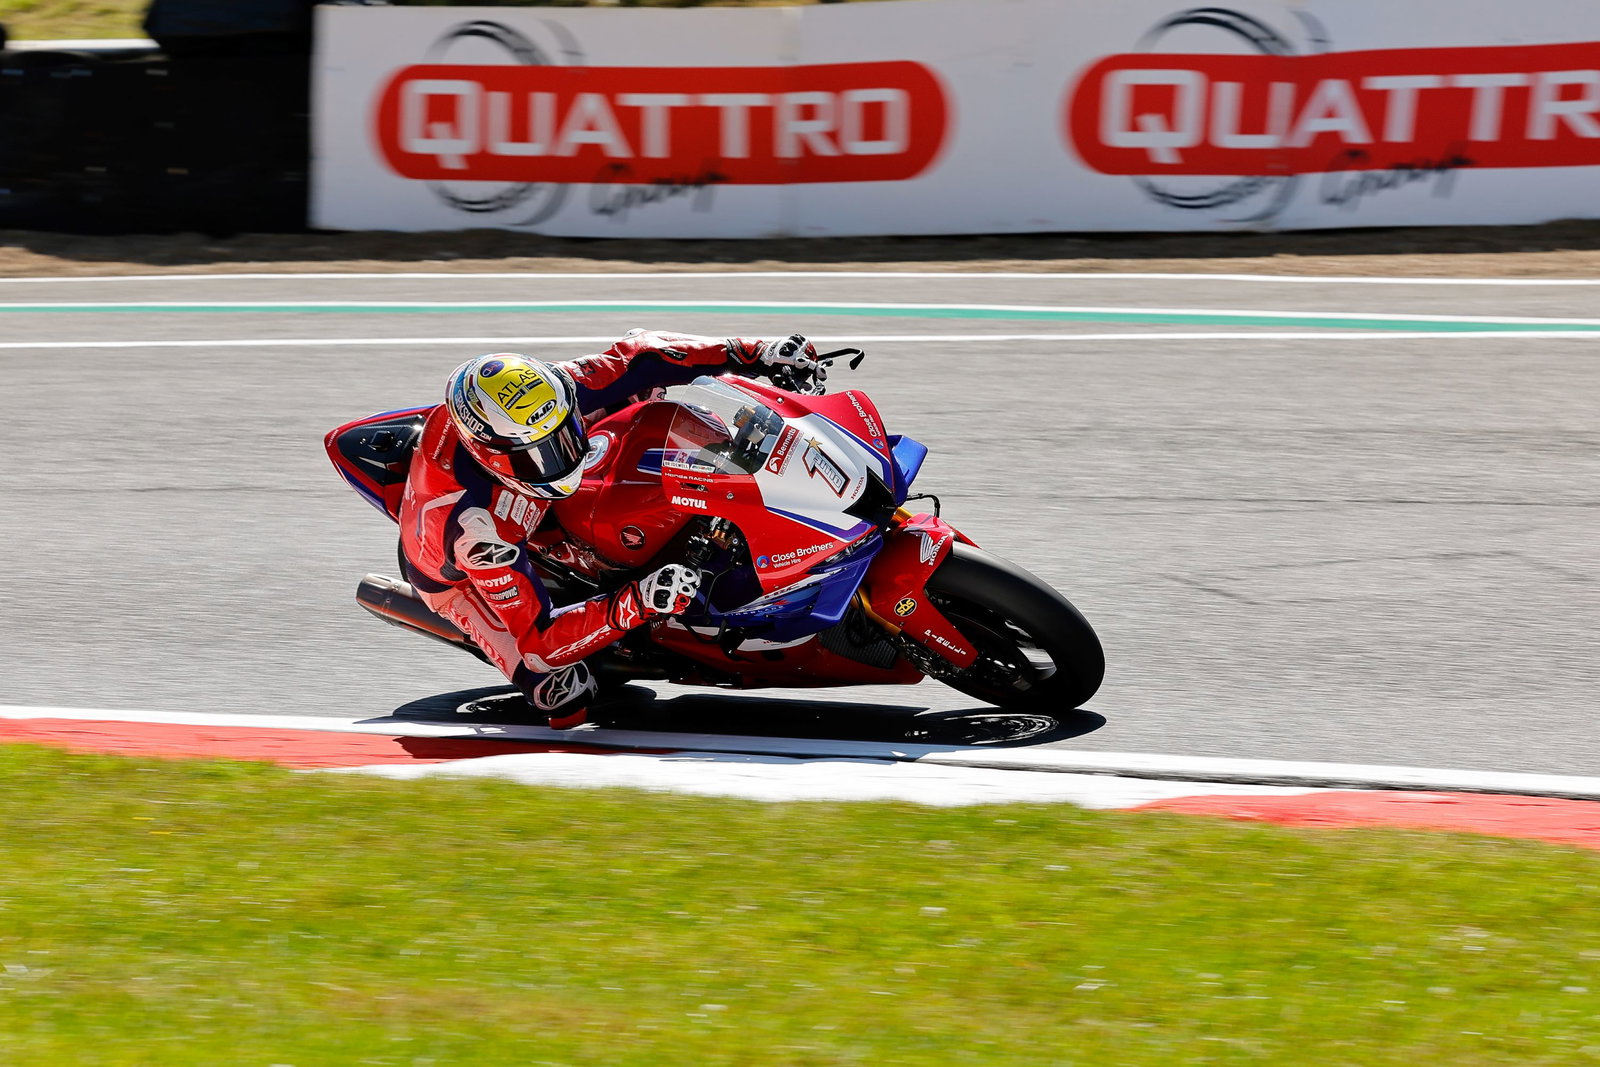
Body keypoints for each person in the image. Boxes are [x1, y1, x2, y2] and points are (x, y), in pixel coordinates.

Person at [400, 329, 821, 728]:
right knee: (559, 690)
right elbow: (539, 641)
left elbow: (640, 354)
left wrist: (755, 352)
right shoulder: (477, 530)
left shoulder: (550, 394)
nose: (560, 457)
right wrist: (636, 601)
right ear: (492, 454)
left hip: (535, 500)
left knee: (644, 394)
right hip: (455, 575)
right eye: (541, 454)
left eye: (564, 435)